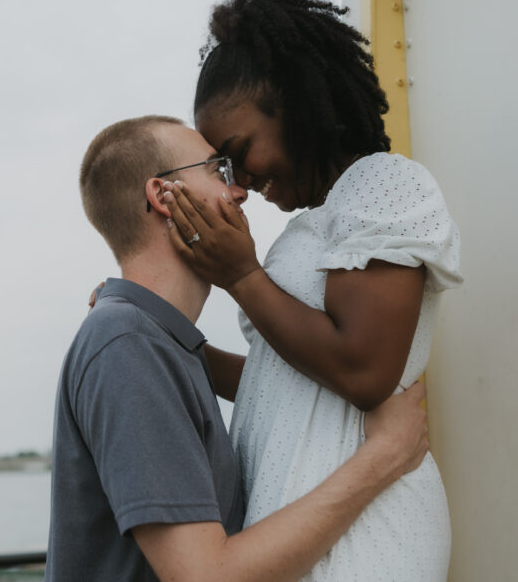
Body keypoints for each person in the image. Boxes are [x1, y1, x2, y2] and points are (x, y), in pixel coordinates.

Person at [161, 0, 463, 580]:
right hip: (308, 540)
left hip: (367, 542)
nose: (239, 179)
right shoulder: (315, 224)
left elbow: (363, 370)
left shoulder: (383, 183)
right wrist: (166, 342)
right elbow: (287, 381)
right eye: (223, 165)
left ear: (296, 103)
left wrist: (242, 274)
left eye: (239, 149)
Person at [47, 115, 431, 582]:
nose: (240, 191)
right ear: (163, 196)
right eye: (216, 171)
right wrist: (384, 456)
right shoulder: (129, 344)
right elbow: (208, 575)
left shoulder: (153, 342)